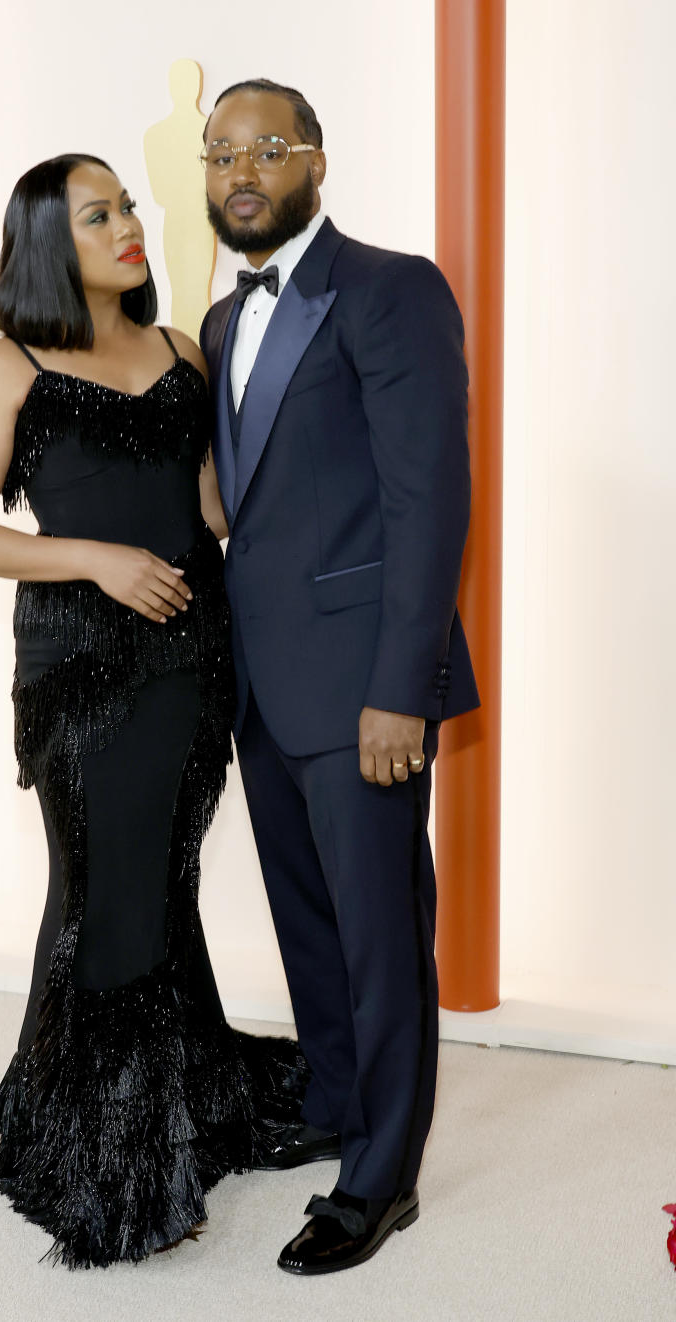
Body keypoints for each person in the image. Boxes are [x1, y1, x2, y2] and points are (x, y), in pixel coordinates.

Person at [0, 153, 307, 1269]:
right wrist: (95, 557)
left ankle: (147, 1091)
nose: (129, 223)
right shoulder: (6, 366)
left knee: (155, 878)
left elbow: (208, 510)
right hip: (85, 662)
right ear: (51, 241)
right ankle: (104, 1146)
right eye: (98, 214)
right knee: (106, 886)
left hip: (194, 655)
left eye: (128, 205)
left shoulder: (180, 350)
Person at [199, 80, 480, 1275]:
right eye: (221, 152)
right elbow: (247, 507)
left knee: (379, 933)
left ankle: (383, 1175)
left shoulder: (391, 287)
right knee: (308, 919)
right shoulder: (219, 323)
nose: (241, 171)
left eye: (267, 148)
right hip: (264, 680)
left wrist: (400, 687)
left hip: (364, 681)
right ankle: (330, 1103)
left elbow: (430, 499)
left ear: (317, 161)